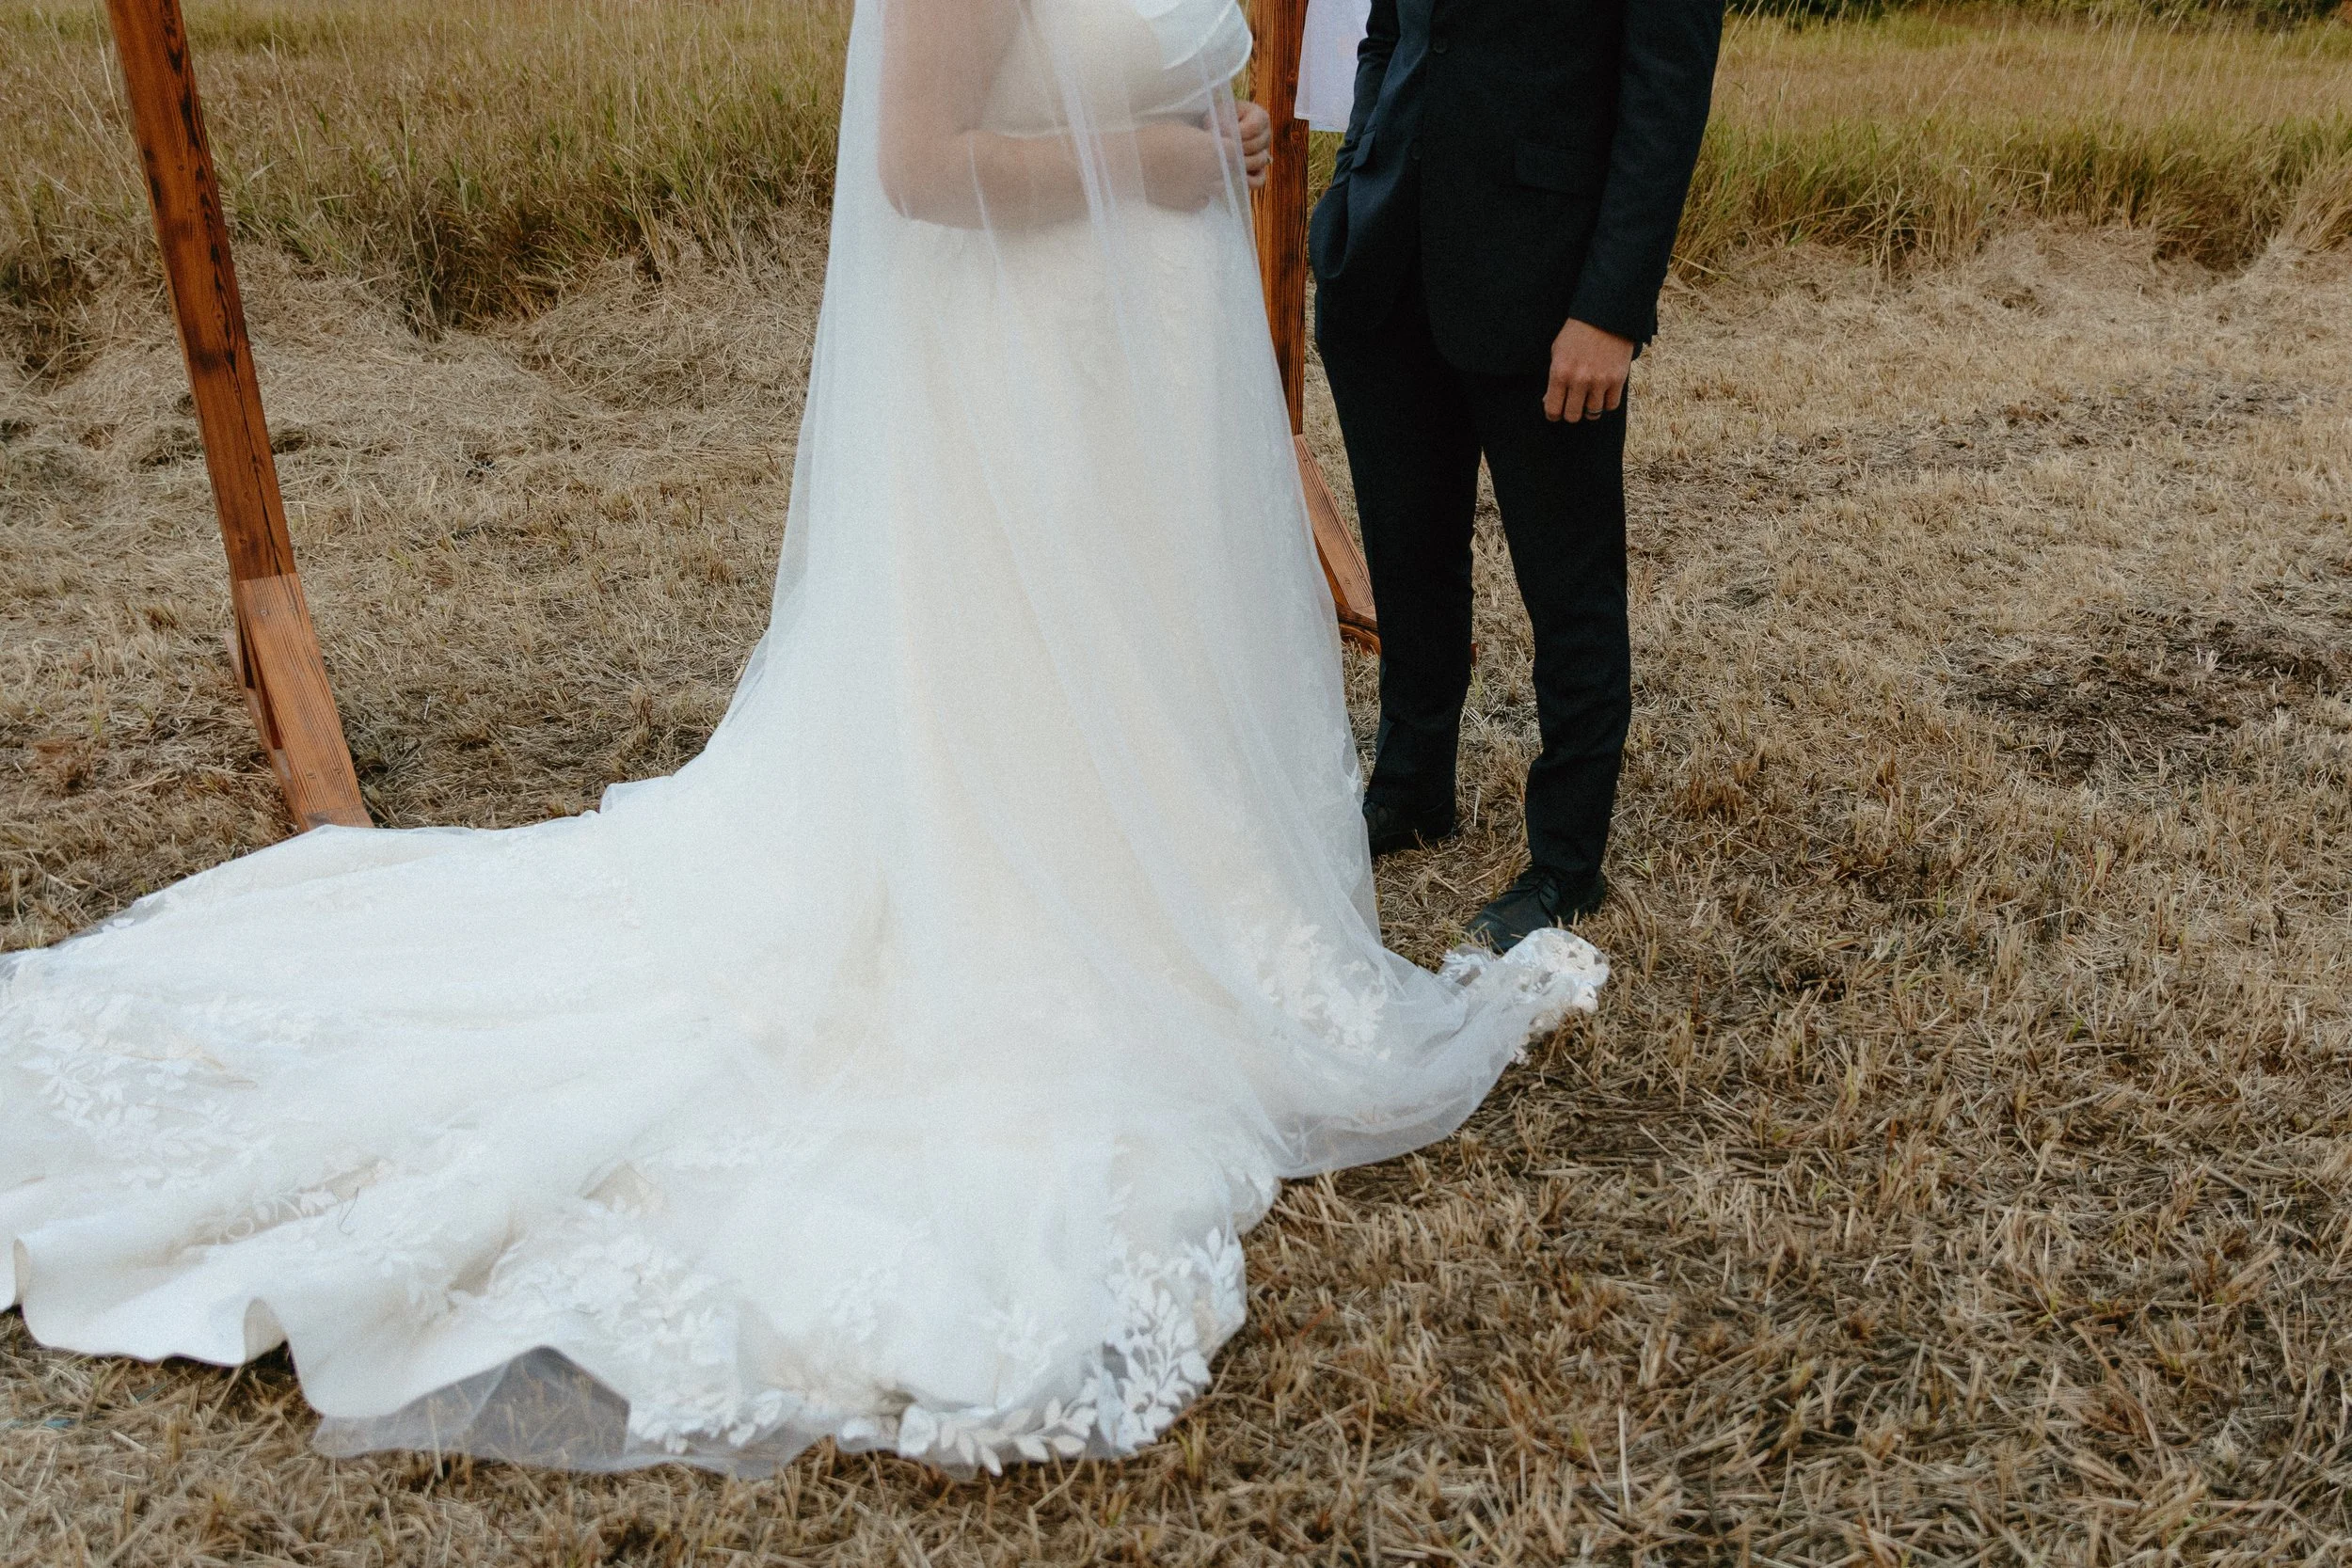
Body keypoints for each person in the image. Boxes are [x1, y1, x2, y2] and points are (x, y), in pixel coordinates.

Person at [0, 0, 1604, 1478]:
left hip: (1139, 375)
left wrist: (1223, 140)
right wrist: (1171, 158)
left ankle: (1177, 892)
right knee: (1023, 714)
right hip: (1030, 375)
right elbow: (922, 164)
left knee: (1141, 687)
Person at [1310, 0, 1723, 952]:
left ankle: (1566, 861)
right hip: (1382, 265)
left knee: (1568, 582)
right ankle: (1412, 788)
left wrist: (1612, 310)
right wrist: (1352, 182)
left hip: (1546, 290)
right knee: (1406, 552)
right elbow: (1389, 31)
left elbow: (1667, 91)